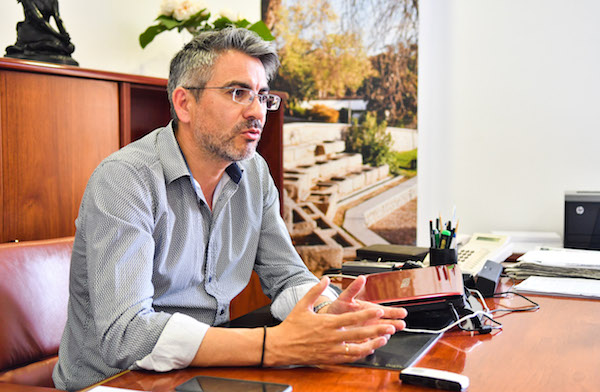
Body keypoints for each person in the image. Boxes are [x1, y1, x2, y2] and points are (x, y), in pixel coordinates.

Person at [52, 27, 407, 391]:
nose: (257, 111)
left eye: (262, 96)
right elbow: (127, 335)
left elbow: (288, 276)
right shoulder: (125, 180)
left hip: (199, 374)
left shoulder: (254, 172)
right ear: (184, 103)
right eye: (238, 93)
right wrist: (274, 346)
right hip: (115, 383)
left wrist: (325, 315)